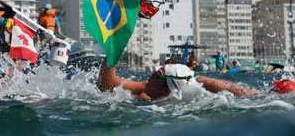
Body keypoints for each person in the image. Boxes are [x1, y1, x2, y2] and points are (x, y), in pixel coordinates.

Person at [97, 60, 257, 102]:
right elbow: (107, 85)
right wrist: (114, 50)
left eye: (157, 76)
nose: (151, 76)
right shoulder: (147, 87)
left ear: (164, 89)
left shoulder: (195, 89)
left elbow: (235, 90)